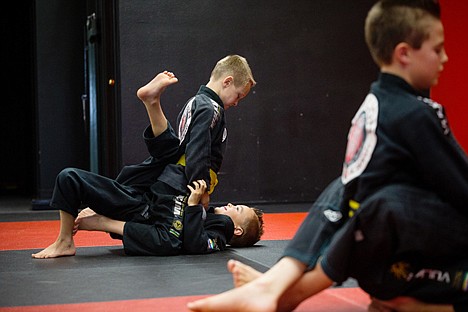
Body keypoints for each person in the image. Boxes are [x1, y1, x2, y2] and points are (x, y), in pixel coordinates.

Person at [187, 1, 468, 311]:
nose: (445, 58)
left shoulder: (375, 104)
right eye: (437, 49)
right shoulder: (416, 113)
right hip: (402, 267)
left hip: (419, 270)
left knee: (370, 199)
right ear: (404, 53)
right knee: (354, 192)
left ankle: (281, 286)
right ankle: (278, 286)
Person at [32, 55, 263, 258]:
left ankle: (152, 103)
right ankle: (90, 227)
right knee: (169, 239)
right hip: (180, 182)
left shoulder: (195, 101)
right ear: (227, 81)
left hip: (161, 177)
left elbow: (184, 148)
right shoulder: (213, 109)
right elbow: (198, 149)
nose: (236, 103)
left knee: (69, 176)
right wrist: (200, 189)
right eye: (239, 96)